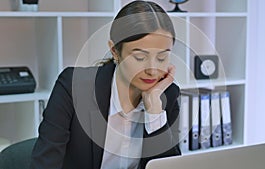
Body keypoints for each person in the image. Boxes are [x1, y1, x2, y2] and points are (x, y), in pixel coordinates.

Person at [30, 1, 181, 169]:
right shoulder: (74, 87)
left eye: (161, 58)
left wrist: (155, 113)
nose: (153, 71)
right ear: (115, 51)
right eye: (139, 57)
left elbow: (170, 165)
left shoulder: (168, 95)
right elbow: (44, 164)